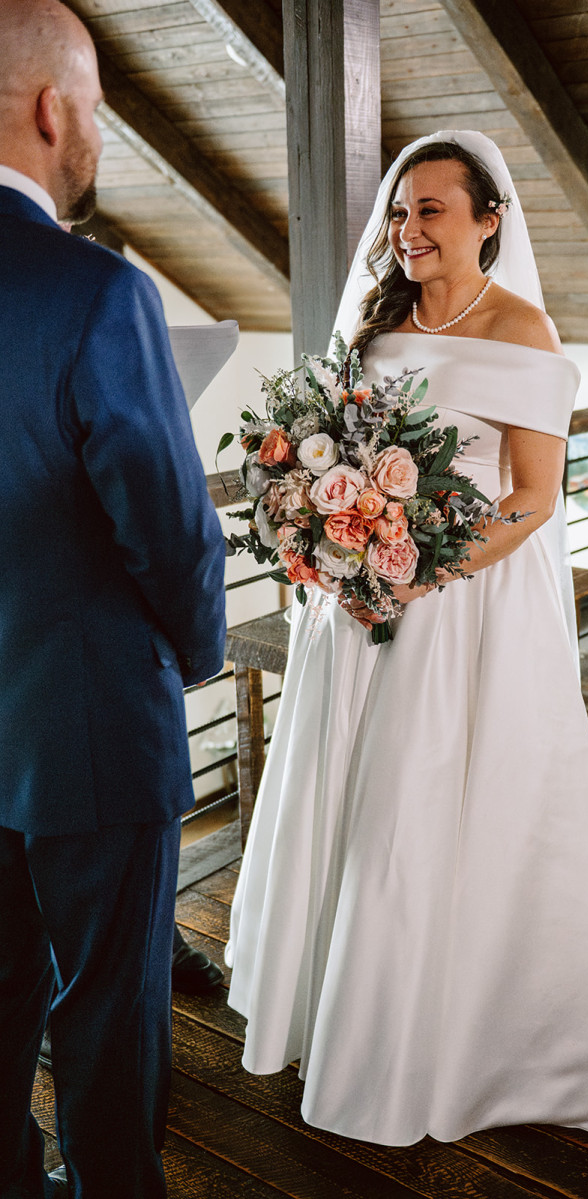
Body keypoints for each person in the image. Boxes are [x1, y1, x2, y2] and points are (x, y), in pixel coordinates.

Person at [225, 130, 588, 1147]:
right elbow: (329, 460)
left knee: (433, 792)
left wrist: (410, 573)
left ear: (489, 220)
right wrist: (331, 546)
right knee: (352, 792)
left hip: (459, 607)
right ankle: (336, 999)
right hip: (355, 612)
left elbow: (532, 499)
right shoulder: (373, 327)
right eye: (399, 213)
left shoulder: (522, 332)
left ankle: (444, 1028)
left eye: (431, 211)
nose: (407, 232)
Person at [0, 1, 227, 1195]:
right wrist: (191, 656)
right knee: (105, 1008)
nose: (94, 135)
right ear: (53, 111)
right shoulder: (98, 291)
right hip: (89, 719)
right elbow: (171, 528)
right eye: (93, 110)